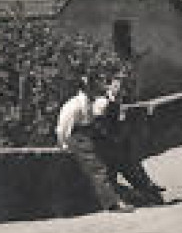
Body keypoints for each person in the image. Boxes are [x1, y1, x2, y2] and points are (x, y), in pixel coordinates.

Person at [56, 74, 132, 214]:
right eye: (92, 87)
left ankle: (131, 192)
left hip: (87, 134)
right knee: (98, 168)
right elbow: (63, 128)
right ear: (85, 88)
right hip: (76, 136)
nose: (95, 89)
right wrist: (64, 145)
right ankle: (112, 203)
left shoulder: (91, 102)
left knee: (114, 154)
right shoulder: (74, 105)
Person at [93, 71, 165, 205]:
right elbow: (100, 126)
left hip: (117, 145)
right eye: (116, 86)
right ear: (109, 86)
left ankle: (147, 187)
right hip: (106, 146)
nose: (119, 89)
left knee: (130, 162)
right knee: (120, 167)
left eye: (121, 87)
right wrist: (115, 137)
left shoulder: (117, 101)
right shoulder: (101, 102)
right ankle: (141, 189)